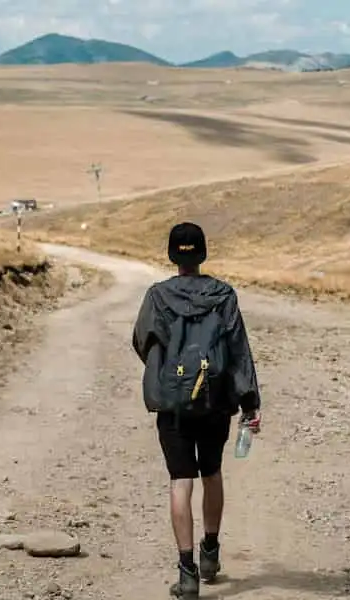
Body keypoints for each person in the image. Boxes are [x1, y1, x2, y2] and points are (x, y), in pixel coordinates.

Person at [131, 222, 262, 599]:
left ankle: (187, 573)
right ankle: (211, 553)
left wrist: (167, 371)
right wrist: (249, 401)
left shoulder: (157, 296)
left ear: (172, 256)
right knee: (212, 472)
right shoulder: (224, 295)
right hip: (216, 401)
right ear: (203, 254)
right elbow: (238, 350)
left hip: (173, 403)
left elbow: (141, 341)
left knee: (180, 480)